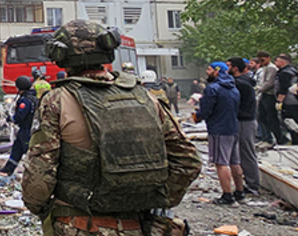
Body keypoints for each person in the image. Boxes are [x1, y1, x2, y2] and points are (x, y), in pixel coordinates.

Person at [22, 20, 202, 236]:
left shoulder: (57, 101)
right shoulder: (146, 97)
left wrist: (40, 209)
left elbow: (41, 171)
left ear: (60, 55)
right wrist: (154, 200)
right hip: (140, 226)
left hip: (80, 224)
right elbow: (188, 161)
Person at [197, 61, 244, 204]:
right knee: (234, 162)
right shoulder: (234, 89)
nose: (207, 71)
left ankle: (227, 195)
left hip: (219, 129)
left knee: (221, 162)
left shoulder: (213, 89)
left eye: (210, 69)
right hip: (233, 128)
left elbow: (206, 109)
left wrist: (198, 116)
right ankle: (240, 192)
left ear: (217, 71)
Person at [227, 58, 260, 195]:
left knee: (246, 153)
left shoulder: (240, 84)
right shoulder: (243, 82)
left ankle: (252, 185)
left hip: (244, 121)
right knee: (241, 153)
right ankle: (249, 183)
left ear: (235, 68)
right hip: (243, 120)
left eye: (228, 66)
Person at [1, 75, 37, 175]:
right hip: (28, 129)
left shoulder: (25, 100)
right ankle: (8, 169)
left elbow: (20, 115)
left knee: (28, 151)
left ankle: (33, 172)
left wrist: (10, 119)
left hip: (26, 129)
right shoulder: (33, 98)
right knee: (17, 150)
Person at [255, 51, 285, 145]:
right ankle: (265, 137)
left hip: (269, 95)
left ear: (268, 58)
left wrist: (259, 89)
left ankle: (277, 138)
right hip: (264, 94)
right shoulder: (264, 68)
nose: (261, 62)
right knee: (261, 117)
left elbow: (269, 83)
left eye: (262, 60)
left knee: (271, 118)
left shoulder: (271, 68)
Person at [275, 54, 298, 145]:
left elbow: (283, 88)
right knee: (295, 118)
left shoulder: (285, 73)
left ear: (282, 62)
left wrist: (279, 101)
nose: (275, 63)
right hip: (295, 99)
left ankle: (297, 139)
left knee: (289, 120)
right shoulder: (294, 71)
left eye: (276, 61)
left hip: (289, 100)